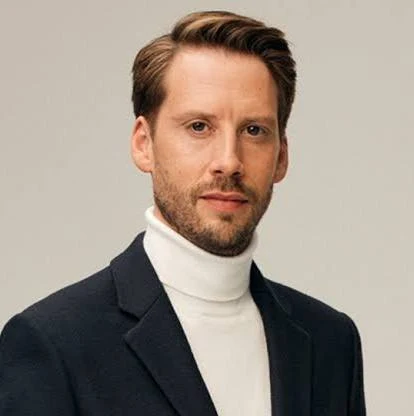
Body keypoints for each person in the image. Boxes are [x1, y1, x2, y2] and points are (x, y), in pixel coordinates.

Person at [0, 10, 366, 416]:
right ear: (144, 144)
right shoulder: (55, 344)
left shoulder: (332, 342)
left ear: (281, 157)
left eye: (254, 130)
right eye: (199, 127)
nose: (229, 162)